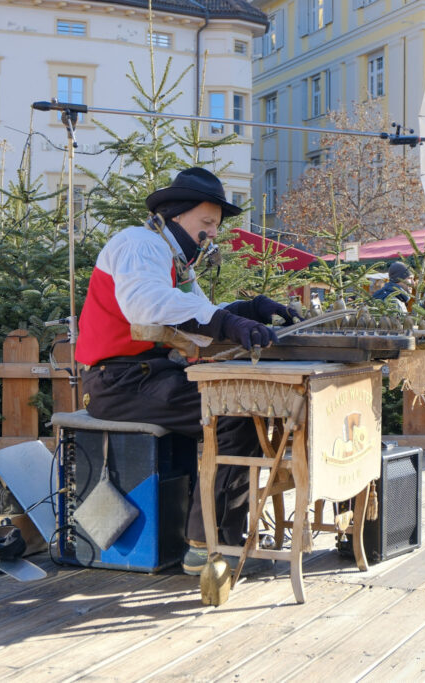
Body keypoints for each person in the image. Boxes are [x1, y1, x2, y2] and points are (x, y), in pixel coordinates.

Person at [74, 167, 301, 576]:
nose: (211, 233)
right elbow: (148, 305)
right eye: (207, 223)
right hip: (119, 380)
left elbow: (197, 315)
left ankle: (213, 536)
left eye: (214, 225)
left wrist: (246, 311)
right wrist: (227, 322)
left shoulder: (171, 257)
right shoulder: (140, 245)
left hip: (144, 375)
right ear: (177, 215)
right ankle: (208, 547)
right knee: (234, 414)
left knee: (240, 410)